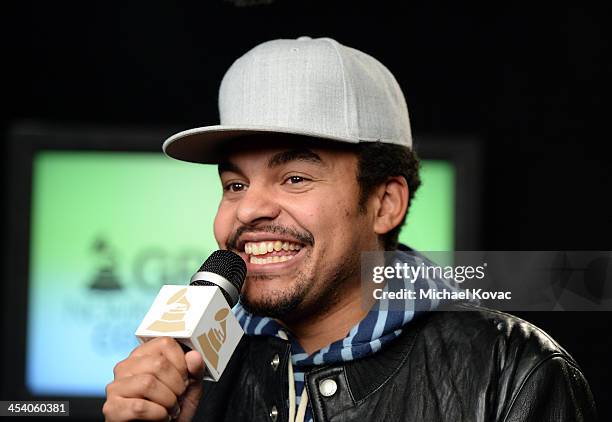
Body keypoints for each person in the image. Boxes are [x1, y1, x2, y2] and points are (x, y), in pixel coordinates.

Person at [103, 36, 597, 421]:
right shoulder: (197, 374)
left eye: (294, 178)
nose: (248, 209)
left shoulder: (516, 372)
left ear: (385, 204)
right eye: (234, 185)